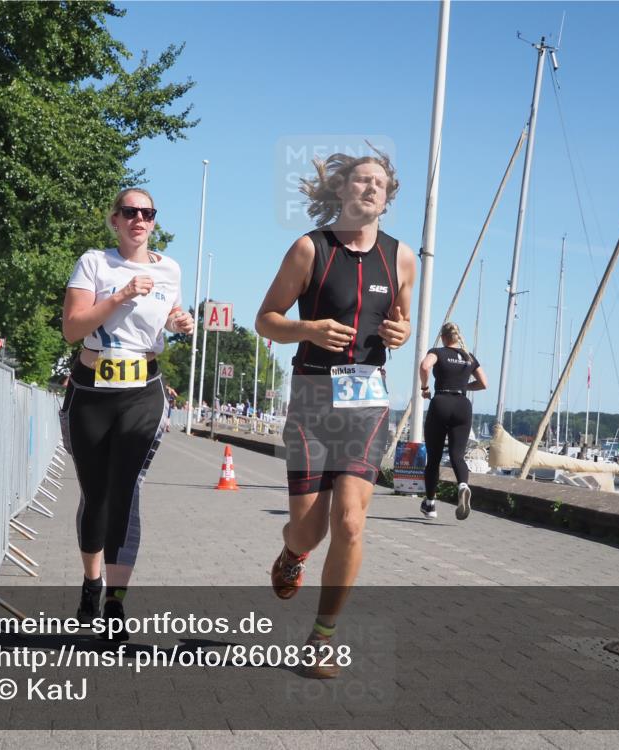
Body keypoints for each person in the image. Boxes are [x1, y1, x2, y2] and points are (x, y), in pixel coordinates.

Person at [256, 147, 415, 678]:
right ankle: (291, 555)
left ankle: (321, 638)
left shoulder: (402, 258)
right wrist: (308, 329)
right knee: (309, 530)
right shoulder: (309, 249)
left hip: (367, 401)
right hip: (312, 397)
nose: (370, 188)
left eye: (379, 184)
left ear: (387, 197)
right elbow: (266, 320)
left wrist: (401, 332)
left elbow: (403, 322)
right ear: (343, 191)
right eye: (361, 181)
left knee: (350, 521)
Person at [60, 187, 194, 639]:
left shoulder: (170, 269)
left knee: (127, 491)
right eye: (130, 212)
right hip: (92, 389)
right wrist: (118, 295)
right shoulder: (95, 263)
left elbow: (165, 318)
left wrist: (178, 323)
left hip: (144, 391)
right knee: (95, 495)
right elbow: (72, 329)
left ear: (154, 222)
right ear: (114, 219)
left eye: (148, 213)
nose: (139, 219)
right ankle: (91, 581)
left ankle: (115, 602)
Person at [418, 322, 488, 520]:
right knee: (457, 455)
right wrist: (465, 386)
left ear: (443, 337)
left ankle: (430, 505)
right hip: (462, 405)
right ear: (458, 337)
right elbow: (484, 383)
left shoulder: (438, 352)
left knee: (434, 458)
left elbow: (424, 366)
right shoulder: (469, 357)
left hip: (441, 402)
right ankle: (463, 485)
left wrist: (425, 388)